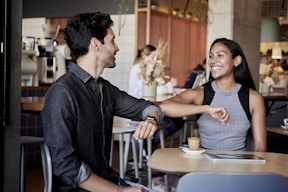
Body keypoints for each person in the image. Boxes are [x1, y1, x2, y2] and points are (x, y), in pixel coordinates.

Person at [41, 12, 163, 192]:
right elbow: (66, 167)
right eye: (112, 41)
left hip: (109, 180)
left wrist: (151, 120)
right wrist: (119, 191)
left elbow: (148, 107)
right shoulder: (62, 93)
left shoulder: (105, 89)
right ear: (95, 44)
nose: (117, 48)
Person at [159, 38, 267, 152]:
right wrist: (206, 109)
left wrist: (251, 168)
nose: (213, 61)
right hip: (205, 164)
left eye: (220, 55)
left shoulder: (253, 98)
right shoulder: (200, 93)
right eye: (211, 56)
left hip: (239, 165)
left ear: (236, 60)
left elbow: (260, 147)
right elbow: (164, 107)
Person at [128, 44, 184, 149]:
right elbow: (148, 89)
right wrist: (169, 86)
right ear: (144, 56)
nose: (154, 60)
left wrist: (168, 85)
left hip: (149, 105)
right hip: (139, 107)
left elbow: (157, 87)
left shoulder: (150, 69)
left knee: (178, 121)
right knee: (172, 123)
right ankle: (149, 145)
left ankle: (151, 144)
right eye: (152, 57)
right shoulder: (137, 69)